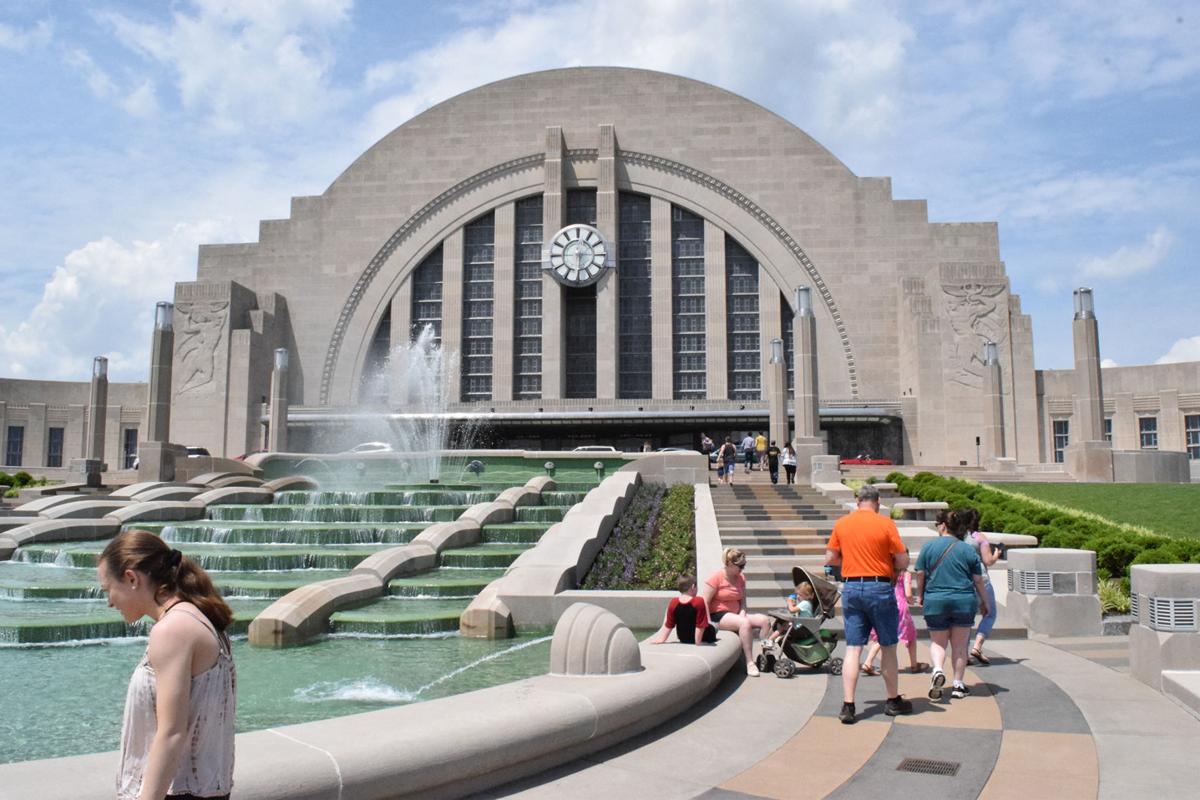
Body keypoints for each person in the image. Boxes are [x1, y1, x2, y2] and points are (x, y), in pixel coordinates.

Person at [97, 529, 236, 800]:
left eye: (108, 589)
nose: (109, 602)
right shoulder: (200, 616)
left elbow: (171, 733)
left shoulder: (172, 630)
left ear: (131, 578)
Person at [824, 484, 913, 723]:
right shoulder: (886, 524)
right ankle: (892, 700)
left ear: (857, 501)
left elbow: (830, 558)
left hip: (851, 587)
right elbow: (902, 559)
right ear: (878, 501)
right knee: (888, 646)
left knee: (853, 647)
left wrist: (851, 564)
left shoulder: (842, 524)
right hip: (880, 587)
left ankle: (848, 705)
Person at [913, 509, 989, 701]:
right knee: (960, 645)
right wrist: (985, 602)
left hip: (936, 599)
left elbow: (920, 574)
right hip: (963, 600)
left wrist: (920, 595)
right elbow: (978, 579)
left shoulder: (928, 547)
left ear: (943, 525)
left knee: (938, 642)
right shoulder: (967, 549)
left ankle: (938, 670)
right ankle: (958, 684)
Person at [700, 548, 774, 676]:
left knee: (765, 621)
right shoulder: (716, 577)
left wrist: (742, 612)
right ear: (729, 564)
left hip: (735, 614)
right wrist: (708, 621)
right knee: (744, 623)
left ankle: (766, 655)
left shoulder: (741, 577)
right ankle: (750, 662)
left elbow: (743, 600)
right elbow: (704, 601)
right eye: (740, 566)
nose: (742, 568)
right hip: (718, 615)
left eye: (744, 565)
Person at [860, 569, 925, 676]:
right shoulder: (905, 573)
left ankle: (868, 662)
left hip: (884, 604)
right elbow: (908, 594)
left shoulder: (885, 571)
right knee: (911, 635)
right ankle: (914, 665)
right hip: (900, 607)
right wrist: (913, 601)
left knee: (882, 635)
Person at [963, 507, 1001, 665]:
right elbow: (988, 561)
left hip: (964, 582)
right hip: (982, 580)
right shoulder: (979, 537)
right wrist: (996, 555)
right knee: (990, 614)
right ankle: (977, 646)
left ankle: (963, 654)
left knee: (965, 620)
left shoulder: (957, 538)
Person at [650, 574, 717, 645]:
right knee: (714, 626)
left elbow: (669, 624)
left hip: (683, 638)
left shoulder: (673, 602)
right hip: (704, 636)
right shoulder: (698, 601)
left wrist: (662, 639)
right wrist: (698, 642)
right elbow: (700, 625)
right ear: (693, 586)